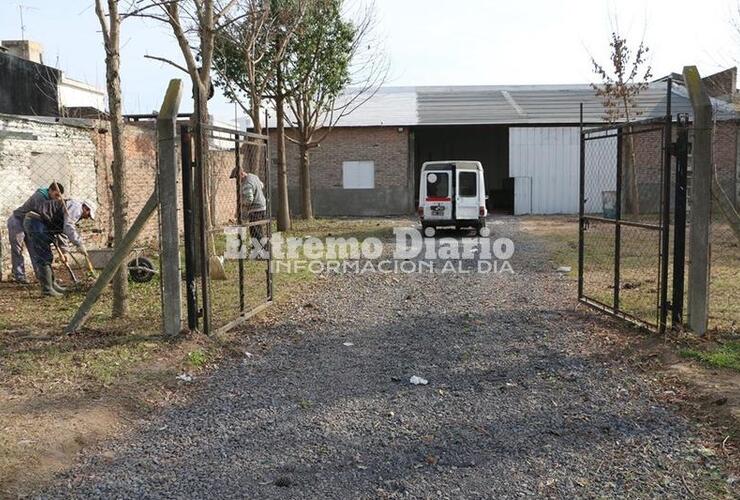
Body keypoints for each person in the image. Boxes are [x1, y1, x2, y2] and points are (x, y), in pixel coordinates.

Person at [6, 182, 64, 284]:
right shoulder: (40, 197)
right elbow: (44, 215)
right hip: (18, 221)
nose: (58, 198)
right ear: (50, 190)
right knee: (17, 249)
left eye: (59, 196)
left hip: (30, 223)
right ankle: (19, 276)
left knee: (34, 249)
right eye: (56, 195)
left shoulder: (51, 199)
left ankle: (42, 277)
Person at [230, 166, 267, 242]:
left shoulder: (247, 183)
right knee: (259, 230)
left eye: (237, 178)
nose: (237, 180)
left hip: (255, 210)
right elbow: (261, 185)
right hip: (262, 207)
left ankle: (259, 250)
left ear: (241, 174)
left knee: (255, 233)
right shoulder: (253, 176)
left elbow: (249, 200)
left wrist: (242, 205)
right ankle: (262, 249)